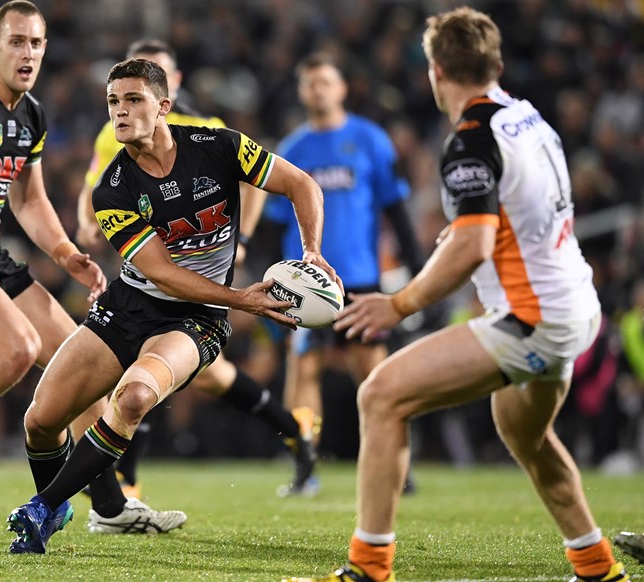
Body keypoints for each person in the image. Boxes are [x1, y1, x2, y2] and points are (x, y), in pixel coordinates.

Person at [286, 7, 629, 582]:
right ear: (494, 63)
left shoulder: (471, 137)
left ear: (435, 71)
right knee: (525, 432)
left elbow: (473, 246)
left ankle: (368, 569)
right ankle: (597, 567)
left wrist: (398, 304)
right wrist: (471, 232)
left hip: (531, 315)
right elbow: (525, 210)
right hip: (575, 303)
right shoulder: (527, 117)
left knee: (380, 394)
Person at [5, 57, 340, 554]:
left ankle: (42, 509)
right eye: (113, 101)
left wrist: (311, 250)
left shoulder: (220, 147)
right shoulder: (113, 188)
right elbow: (160, 272)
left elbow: (302, 185)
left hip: (195, 318)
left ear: (163, 106)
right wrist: (241, 299)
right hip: (130, 305)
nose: (120, 111)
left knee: (134, 398)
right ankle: (77, 509)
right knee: (40, 420)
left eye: (133, 99)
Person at [0, 1, 183, 536]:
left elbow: (28, 201)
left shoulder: (31, 115)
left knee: (83, 366)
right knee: (18, 349)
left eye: (36, 43)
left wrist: (67, 254)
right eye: (17, 41)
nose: (27, 53)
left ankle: (110, 507)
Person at [76, 38, 317, 498]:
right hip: (147, 269)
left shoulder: (207, 131)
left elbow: (264, 181)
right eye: (118, 97)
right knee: (194, 376)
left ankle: (126, 483)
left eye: (141, 90)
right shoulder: (114, 134)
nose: (125, 105)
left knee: (161, 375)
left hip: (198, 279)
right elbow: (95, 185)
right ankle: (293, 429)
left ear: (170, 87)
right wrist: (87, 224)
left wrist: (242, 238)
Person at [264, 52, 424, 495]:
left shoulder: (370, 140)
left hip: (358, 278)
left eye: (325, 82)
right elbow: (276, 221)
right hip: (304, 283)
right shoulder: (293, 149)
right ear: (301, 91)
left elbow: (396, 208)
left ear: (341, 88)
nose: (318, 90)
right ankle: (304, 465)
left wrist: (417, 268)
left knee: (375, 376)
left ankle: (398, 467)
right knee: (302, 372)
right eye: (310, 83)